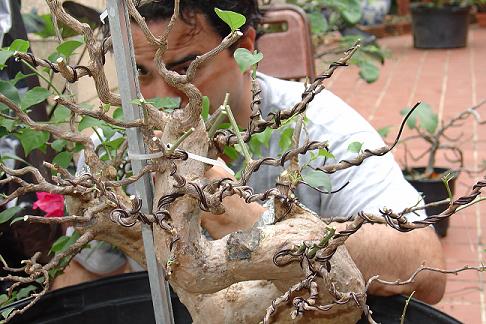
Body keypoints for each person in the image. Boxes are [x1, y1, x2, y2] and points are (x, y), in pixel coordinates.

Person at [57, 0, 446, 305]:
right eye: (140, 73)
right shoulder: (114, 149)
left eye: (184, 69)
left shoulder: (315, 129)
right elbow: (89, 275)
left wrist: (258, 227)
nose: (161, 99)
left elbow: (424, 266)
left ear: (243, 48)